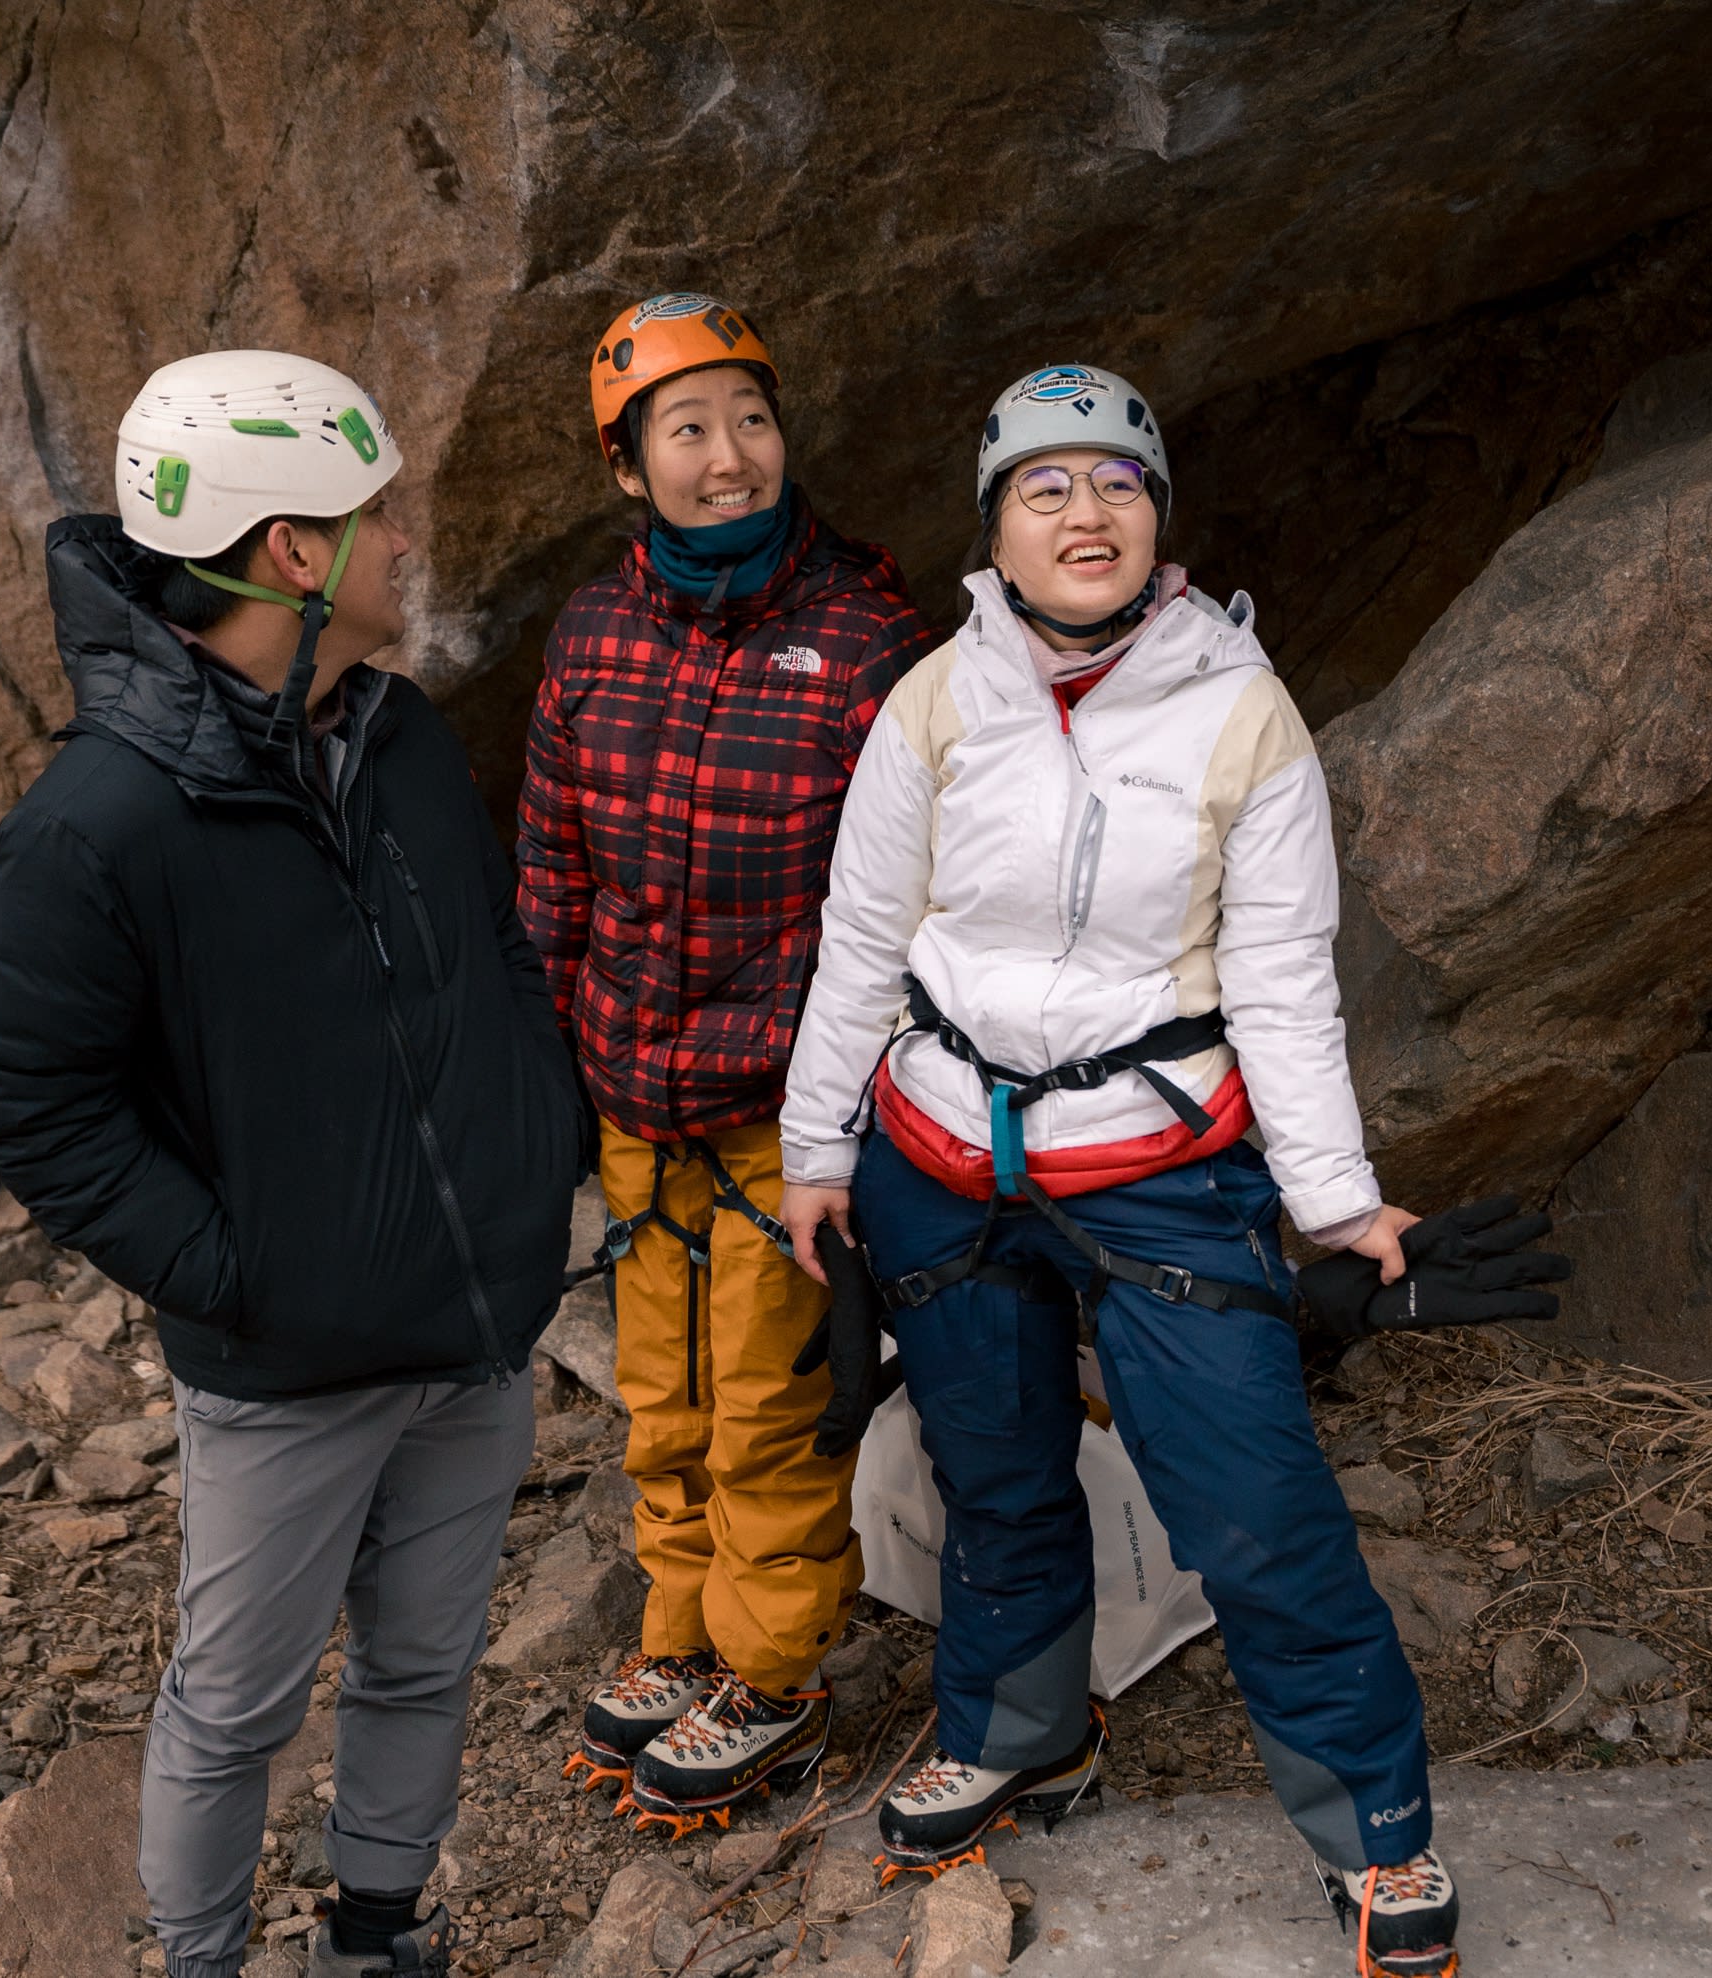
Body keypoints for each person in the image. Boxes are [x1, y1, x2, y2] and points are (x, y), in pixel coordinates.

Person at [776, 366, 1471, 1978]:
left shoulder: (1242, 710)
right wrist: (823, 1147)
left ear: (1159, 516)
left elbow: (1287, 977)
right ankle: (1024, 1728)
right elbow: (864, 942)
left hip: (1156, 1162)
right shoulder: (935, 701)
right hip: (941, 1156)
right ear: (997, 527)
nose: (1085, 512)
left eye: (1117, 483)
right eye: (1045, 487)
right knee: (996, 1472)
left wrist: (1336, 1203)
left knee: (1258, 1504)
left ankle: (1379, 1826)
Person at [0, 351, 582, 1978]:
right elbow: (24, 1095)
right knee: (234, 1704)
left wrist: (533, 1150)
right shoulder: (98, 824)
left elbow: (495, 951)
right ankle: (205, 1960)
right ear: (292, 555)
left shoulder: (401, 739)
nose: (401, 545)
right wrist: (238, 1273)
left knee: (425, 1663)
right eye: (371, 515)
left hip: (469, 1319)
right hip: (287, 1365)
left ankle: (374, 1937)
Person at [517, 293, 937, 1831]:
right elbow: (554, 866)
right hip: (635, 1093)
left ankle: (775, 1671)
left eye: (748, 418)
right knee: (661, 1393)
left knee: (766, 1400)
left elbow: (905, 908)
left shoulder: (868, 639)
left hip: (784, 1111)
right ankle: (682, 1629)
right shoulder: (596, 633)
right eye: (684, 430)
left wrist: (841, 1096)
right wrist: (556, 1063)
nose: (729, 455)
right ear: (627, 467)